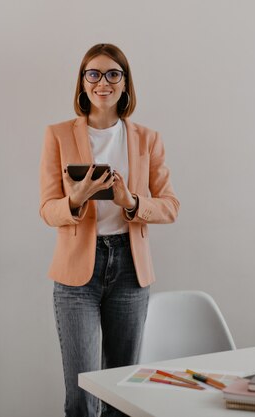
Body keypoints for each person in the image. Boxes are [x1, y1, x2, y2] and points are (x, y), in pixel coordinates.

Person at [39, 43, 180, 417]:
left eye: (113, 74)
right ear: (83, 84)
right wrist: (77, 199)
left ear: (125, 83)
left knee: (123, 391)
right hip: (76, 277)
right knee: (82, 395)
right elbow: (47, 210)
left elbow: (170, 206)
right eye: (94, 74)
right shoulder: (58, 135)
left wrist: (130, 201)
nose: (103, 82)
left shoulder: (147, 138)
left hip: (131, 271)